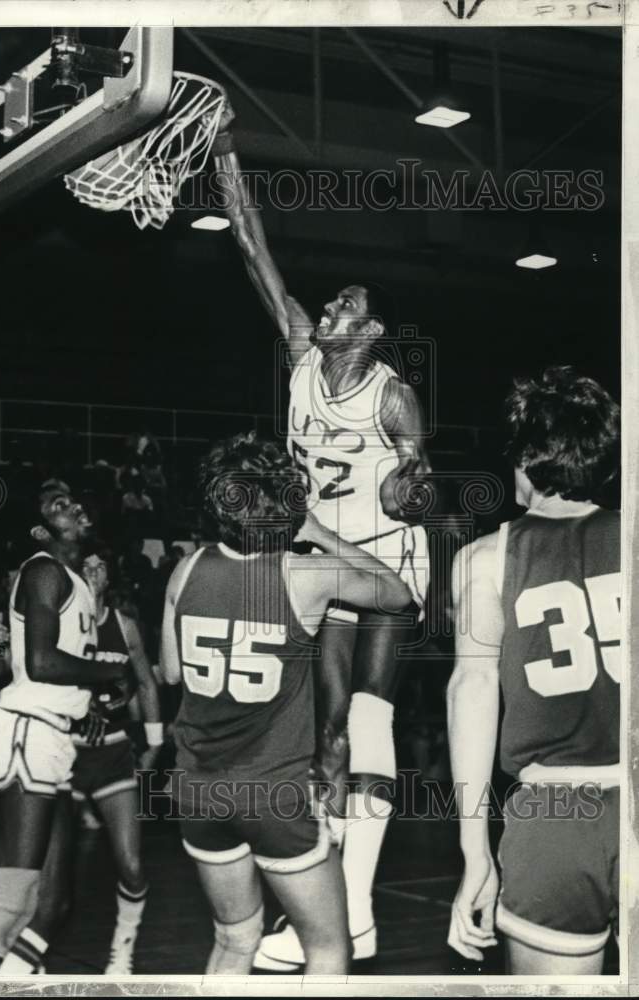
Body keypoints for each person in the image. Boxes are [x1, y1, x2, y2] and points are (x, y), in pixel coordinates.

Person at [213, 102, 431, 966]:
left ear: (369, 333)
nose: (334, 301)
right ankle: (342, 908)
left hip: (389, 559)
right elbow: (255, 252)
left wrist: (413, 488)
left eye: (350, 301)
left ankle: (357, 907)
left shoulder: (391, 393)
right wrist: (227, 160)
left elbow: (420, 484)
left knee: (367, 722)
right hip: (325, 560)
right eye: (335, 298)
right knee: (327, 730)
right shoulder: (304, 354)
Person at [160, 433, 414, 974]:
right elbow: (396, 594)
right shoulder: (305, 576)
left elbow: (172, 672)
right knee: (329, 946)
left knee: (234, 939)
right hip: (273, 793)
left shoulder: (185, 570)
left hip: (199, 790)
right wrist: (320, 534)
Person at [447, 367, 620, 974]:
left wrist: (474, 851)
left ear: (524, 459)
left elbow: (471, 688)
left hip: (556, 812)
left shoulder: (485, 560)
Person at [0, 480, 134, 976]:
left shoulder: (74, 583)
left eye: (75, 499)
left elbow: (66, 670)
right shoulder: (42, 572)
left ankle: (9, 980)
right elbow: (40, 663)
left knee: (54, 903)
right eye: (59, 505)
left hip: (53, 736)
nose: (76, 505)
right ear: (40, 530)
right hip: (24, 732)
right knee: (13, 902)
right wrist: (111, 671)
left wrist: (95, 699)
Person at [0, 549, 164, 975]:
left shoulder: (124, 624)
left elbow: (146, 683)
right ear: (74, 576)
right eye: (88, 565)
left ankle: (123, 951)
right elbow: (3, 671)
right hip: (61, 749)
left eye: (103, 564)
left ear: (111, 575)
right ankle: (28, 958)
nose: (95, 570)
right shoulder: (53, 618)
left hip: (114, 753)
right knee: (39, 880)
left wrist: (154, 742)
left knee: (133, 866)